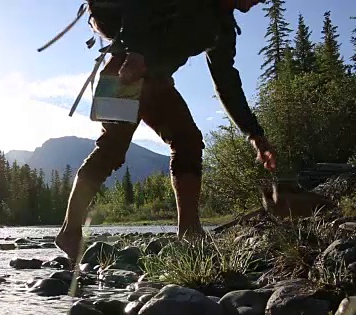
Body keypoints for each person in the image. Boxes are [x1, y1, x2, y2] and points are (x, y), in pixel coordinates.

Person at [55, 0, 277, 262]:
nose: (259, 1)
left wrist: (254, 134)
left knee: (188, 142)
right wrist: (136, 52)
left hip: (157, 83)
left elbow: (226, 82)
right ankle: (70, 231)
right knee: (111, 150)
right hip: (124, 71)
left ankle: (189, 232)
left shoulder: (223, 28)